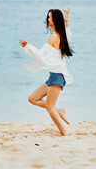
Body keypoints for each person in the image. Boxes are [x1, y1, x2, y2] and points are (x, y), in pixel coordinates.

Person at [19, 8, 73, 136]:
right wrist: (66, 20)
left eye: (49, 17)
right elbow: (68, 34)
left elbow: (41, 56)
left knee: (49, 107)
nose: (47, 19)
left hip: (57, 77)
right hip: (54, 76)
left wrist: (28, 47)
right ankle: (59, 111)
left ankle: (64, 132)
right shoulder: (61, 35)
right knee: (32, 98)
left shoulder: (54, 36)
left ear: (54, 20)